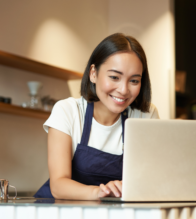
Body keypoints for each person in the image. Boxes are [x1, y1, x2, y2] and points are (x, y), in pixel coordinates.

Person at [34, 33, 160, 200]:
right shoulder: (67, 111)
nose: (123, 90)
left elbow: (150, 178)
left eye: (134, 81)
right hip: (61, 211)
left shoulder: (145, 115)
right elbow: (58, 184)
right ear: (93, 73)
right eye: (114, 77)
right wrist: (99, 192)